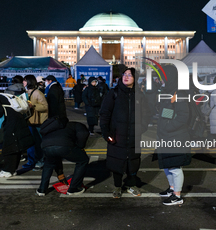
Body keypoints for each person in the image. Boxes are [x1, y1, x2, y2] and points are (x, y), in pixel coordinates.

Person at [100, 68, 150, 198]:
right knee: (117, 162)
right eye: (125, 74)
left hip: (134, 136)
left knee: (133, 162)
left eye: (130, 75)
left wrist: (142, 128)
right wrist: (106, 132)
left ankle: (131, 185)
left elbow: (146, 114)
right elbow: (105, 113)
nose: (126, 77)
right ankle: (117, 186)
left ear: (135, 78)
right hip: (117, 135)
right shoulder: (114, 93)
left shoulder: (139, 95)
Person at [0, 86, 34, 177]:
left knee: (9, 148)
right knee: (15, 148)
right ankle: (12, 170)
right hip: (18, 122)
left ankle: (7, 171)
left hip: (11, 124)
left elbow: (0, 112)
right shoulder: (3, 95)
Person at [156, 65, 192, 206]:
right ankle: (172, 189)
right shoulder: (170, 91)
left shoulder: (179, 92)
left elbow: (183, 116)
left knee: (175, 167)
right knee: (168, 165)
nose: (160, 81)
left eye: (162, 78)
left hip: (176, 136)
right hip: (168, 135)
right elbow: (169, 112)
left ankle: (177, 196)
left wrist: (168, 127)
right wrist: (165, 125)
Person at [36, 120, 89, 196]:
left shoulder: (53, 127)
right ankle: (74, 188)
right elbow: (83, 134)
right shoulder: (78, 125)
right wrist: (80, 146)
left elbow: (57, 159)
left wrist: (61, 176)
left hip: (46, 146)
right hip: (64, 145)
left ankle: (42, 189)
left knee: (48, 165)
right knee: (83, 160)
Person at [42, 75, 68, 175]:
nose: (45, 82)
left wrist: (51, 116)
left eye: (46, 81)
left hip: (56, 116)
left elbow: (53, 103)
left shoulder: (53, 89)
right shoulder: (56, 87)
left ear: (50, 81)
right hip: (59, 115)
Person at [22, 75, 48, 169]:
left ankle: (40, 160)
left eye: (25, 80)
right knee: (30, 143)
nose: (23, 82)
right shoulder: (26, 92)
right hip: (30, 121)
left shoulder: (37, 93)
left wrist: (33, 105)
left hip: (37, 122)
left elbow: (45, 107)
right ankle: (31, 161)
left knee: (38, 143)